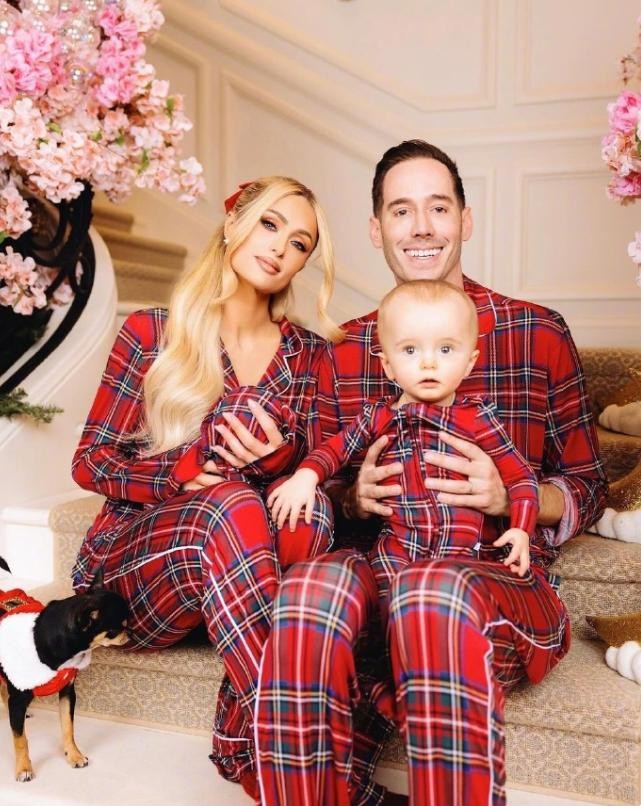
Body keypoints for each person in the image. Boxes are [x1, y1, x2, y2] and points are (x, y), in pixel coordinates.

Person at [254, 141, 608, 806]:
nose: (420, 227)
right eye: (401, 211)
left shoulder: (536, 333)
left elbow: (588, 485)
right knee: (308, 589)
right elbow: (319, 483)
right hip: (383, 569)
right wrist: (351, 498)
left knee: (431, 592)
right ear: (376, 229)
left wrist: (513, 498)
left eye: (438, 208)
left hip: (490, 581)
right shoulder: (345, 350)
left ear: (465, 220)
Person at [70, 176, 342, 798]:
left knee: (311, 513)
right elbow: (90, 464)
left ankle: (253, 743)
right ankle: (304, 760)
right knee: (228, 501)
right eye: (269, 224)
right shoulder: (153, 331)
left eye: (299, 243)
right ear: (234, 222)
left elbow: (323, 472)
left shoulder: (307, 356)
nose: (279, 248)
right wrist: (181, 470)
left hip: (243, 586)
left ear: (304, 263)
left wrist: (281, 459)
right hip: (140, 573)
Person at [268, 279, 538, 621]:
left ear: (469, 363)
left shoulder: (478, 418)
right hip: (397, 548)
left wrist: (521, 528)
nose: (428, 363)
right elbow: (334, 450)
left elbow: (522, 479)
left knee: (452, 605)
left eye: (445, 349)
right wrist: (305, 477)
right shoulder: (378, 416)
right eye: (410, 350)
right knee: (384, 604)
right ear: (388, 366)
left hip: (461, 553)